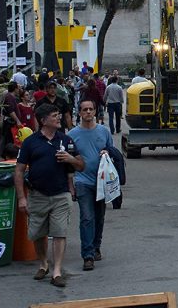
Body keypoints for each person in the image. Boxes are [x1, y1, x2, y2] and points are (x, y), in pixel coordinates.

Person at [15, 103, 83, 288]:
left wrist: (70, 159)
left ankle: (57, 271)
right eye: (55, 115)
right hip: (37, 195)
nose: (59, 118)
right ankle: (44, 263)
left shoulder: (66, 140)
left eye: (58, 114)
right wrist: (22, 197)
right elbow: (19, 170)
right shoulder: (30, 142)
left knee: (60, 232)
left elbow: (81, 165)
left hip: (61, 195)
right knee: (38, 233)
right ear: (44, 120)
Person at [68, 100, 115, 270]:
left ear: (95, 111)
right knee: (87, 217)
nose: (88, 112)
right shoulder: (73, 135)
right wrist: (71, 186)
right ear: (79, 113)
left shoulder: (104, 132)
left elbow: (113, 152)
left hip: (102, 183)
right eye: (84, 110)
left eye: (90, 109)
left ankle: (96, 246)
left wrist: (107, 152)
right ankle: (87, 255)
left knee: (99, 217)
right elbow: (68, 163)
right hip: (82, 181)